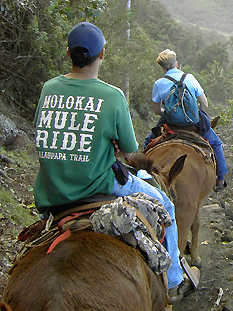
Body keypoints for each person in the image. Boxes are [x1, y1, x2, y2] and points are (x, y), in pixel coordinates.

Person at [33, 22, 194, 303]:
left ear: (68, 54)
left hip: (52, 195)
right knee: (165, 204)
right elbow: (129, 151)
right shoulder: (112, 95)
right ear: (102, 54)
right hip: (98, 187)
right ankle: (173, 281)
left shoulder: (48, 89)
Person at [144, 49, 227, 189]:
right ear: (176, 64)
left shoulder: (159, 83)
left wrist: (169, 111)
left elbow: (157, 111)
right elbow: (205, 104)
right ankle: (221, 177)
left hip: (170, 123)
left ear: (162, 68)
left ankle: (142, 173)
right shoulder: (190, 78)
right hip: (193, 124)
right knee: (216, 143)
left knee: (148, 141)